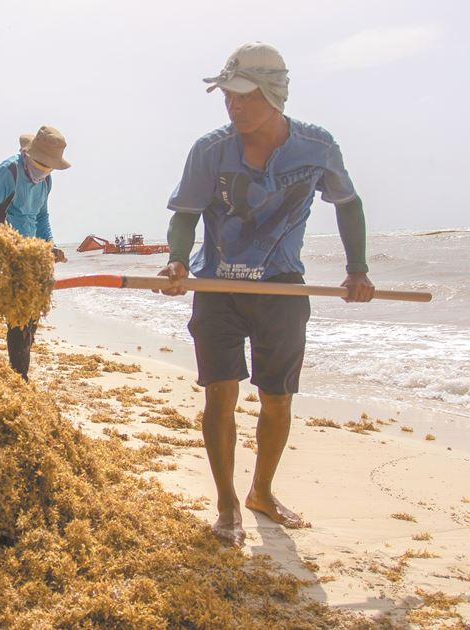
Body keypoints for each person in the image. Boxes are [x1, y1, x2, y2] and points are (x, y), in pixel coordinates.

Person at [158, 42, 375, 547]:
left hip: (280, 286)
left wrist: (357, 269)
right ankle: (227, 503)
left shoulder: (316, 148)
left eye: (244, 97)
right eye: (227, 98)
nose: (233, 107)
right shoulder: (210, 150)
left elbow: (349, 202)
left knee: (277, 398)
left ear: (274, 94)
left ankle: (262, 491)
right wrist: (175, 261)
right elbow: (185, 215)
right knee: (221, 394)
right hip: (216, 284)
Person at [0, 125, 70, 380]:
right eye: (41, 163)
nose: (44, 169)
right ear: (28, 154)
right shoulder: (9, 171)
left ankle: (20, 368)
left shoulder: (45, 181)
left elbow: (41, 217)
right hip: (7, 252)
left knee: (31, 319)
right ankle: (20, 377)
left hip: (32, 256)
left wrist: (49, 245)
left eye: (49, 166)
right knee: (19, 318)